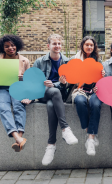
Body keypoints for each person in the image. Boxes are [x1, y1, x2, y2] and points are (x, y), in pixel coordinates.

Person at [33, 34, 78, 166]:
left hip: (58, 95)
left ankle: (51, 145)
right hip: (42, 93)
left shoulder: (67, 61)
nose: (57, 46)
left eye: (59, 43)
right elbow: (33, 82)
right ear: (48, 46)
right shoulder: (39, 61)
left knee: (51, 104)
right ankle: (65, 128)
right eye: (54, 44)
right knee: (54, 91)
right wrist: (43, 83)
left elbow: (70, 83)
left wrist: (62, 83)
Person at [0, 35, 31, 152]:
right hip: (1, 89)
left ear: (17, 45)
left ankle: (20, 138)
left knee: (18, 106)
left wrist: (22, 78)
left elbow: (29, 81)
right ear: (3, 48)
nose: (10, 48)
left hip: (17, 88)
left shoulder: (24, 60)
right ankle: (17, 138)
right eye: (7, 46)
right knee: (2, 107)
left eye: (12, 45)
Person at [70, 36, 104, 156]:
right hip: (80, 90)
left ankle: (90, 139)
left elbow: (101, 80)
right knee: (79, 101)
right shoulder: (74, 59)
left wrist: (101, 78)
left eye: (91, 45)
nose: (89, 47)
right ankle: (89, 131)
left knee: (95, 104)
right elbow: (70, 79)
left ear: (94, 47)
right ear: (82, 46)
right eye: (87, 45)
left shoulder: (98, 61)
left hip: (94, 92)